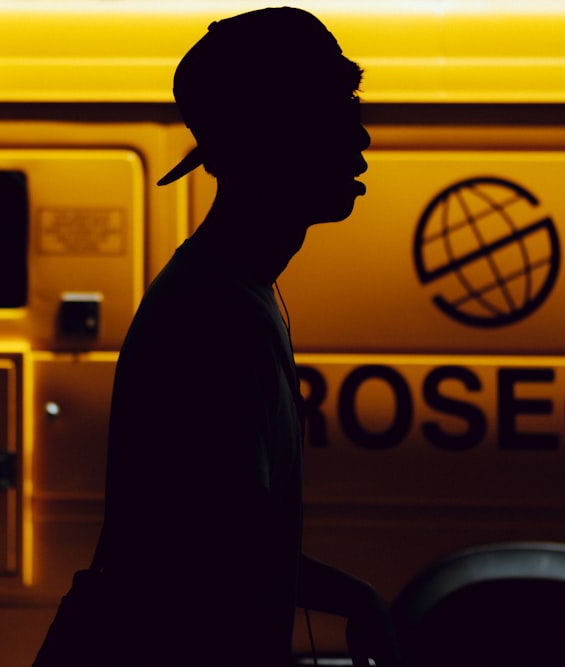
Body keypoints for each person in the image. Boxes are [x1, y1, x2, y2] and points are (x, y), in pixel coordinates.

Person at [93, 7, 399, 667]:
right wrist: (356, 597)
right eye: (335, 109)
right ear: (273, 136)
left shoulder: (223, 293)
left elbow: (228, 534)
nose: (362, 134)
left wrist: (353, 596)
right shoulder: (216, 319)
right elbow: (217, 549)